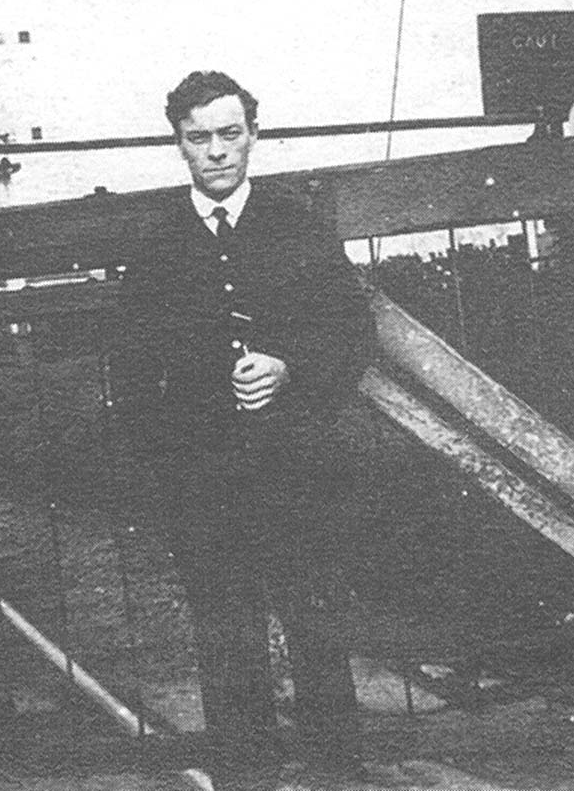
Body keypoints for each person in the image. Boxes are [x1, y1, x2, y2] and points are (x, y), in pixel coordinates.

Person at [126, 70, 374, 782]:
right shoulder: (157, 247)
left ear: (253, 136)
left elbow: (352, 330)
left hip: (298, 468)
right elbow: (137, 378)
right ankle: (246, 774)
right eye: (198, 138)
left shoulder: (296, 224)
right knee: (226, 636)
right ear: (178, 145)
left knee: (316, 625)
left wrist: (290, 368)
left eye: (229, 134)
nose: (216, 153)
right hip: (204, 480)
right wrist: (165, 476)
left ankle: (337, 772)